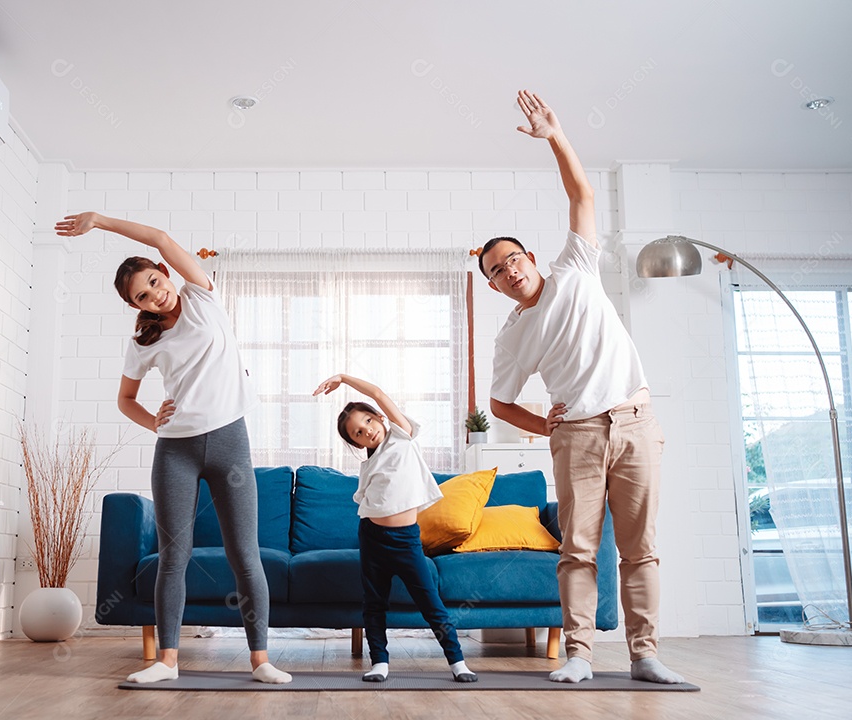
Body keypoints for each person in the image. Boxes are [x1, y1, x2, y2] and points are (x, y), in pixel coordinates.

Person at [480, 91, 684, 685]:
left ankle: (645, 656)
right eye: (496, 271)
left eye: (512, 259)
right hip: (577, 437)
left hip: (636, 422)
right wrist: (543, 424)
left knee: (641, 549)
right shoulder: (512, 336)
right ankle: (579, 656)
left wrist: (555, 136)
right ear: (493, 286)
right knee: (578, 549)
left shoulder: (575, 267)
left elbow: (582, 195)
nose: (509, 271)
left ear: (529, 257)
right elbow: (497, 403)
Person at [54, 212, 292, 685]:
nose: (155, 294)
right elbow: (125, 399)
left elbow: (160, 237)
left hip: (230, 443)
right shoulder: (144, 340)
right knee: (173, 556)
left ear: (165, 273)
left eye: (154, 282)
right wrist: (154, 421)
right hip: (175, 452)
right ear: (135, 305)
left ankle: (261, 660)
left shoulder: (202, 295)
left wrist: (98, 221)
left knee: (244, 554)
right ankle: (166, 661)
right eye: (142, 296)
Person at [313, 373, 477, 684]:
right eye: (358, 433)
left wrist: (343, 378)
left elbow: (377, 392)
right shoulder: (368, 465)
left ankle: (457, 661)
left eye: (368, 422)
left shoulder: (402, 436)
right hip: (373, 538)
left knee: (430, 602)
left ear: (379, 416)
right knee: (374, 604)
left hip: (405, 540)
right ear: (356, 442)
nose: (367, 431)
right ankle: (379, 662)